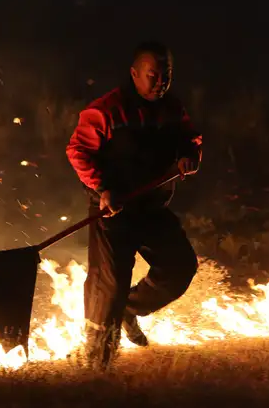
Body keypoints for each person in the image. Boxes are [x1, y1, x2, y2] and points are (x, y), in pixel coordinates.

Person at [65, 41, 202, 367]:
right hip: (114, 209)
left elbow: (190, 138)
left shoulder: (172, 109)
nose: (161, 82)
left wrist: (190, 155)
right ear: (134, 74)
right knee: (110, 285)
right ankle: (98, 364)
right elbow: (78, 151)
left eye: (166, 75)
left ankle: (130, 310)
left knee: (179, 267)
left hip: (152, 206)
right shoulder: (105, 111)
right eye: (153, 76)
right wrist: (102, 188)